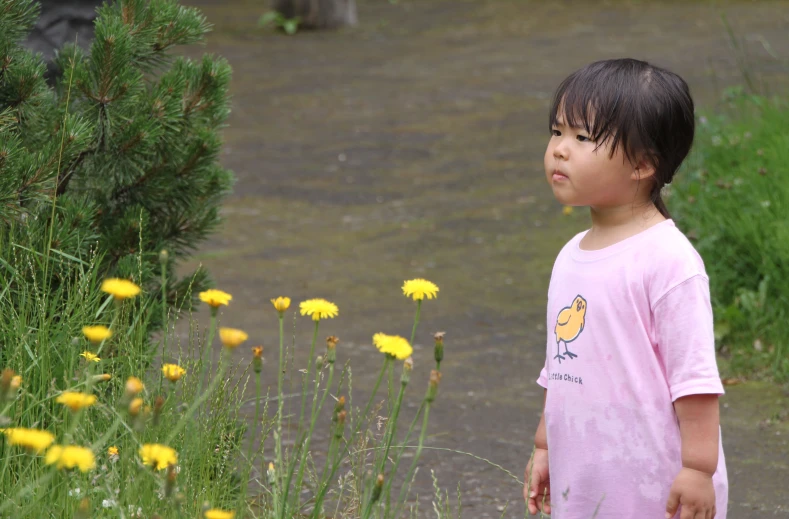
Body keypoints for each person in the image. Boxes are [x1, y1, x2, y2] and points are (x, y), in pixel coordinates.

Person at [523, 59, 727, 518]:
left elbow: (693, 380)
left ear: (642, 164)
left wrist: (698, 469)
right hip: (586, 476)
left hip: (654, 482)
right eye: (557, 132)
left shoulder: (668, 261)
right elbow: (559, 363)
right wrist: (546, 445)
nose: (559, 149)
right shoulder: (570, 255)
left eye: (583, 138)